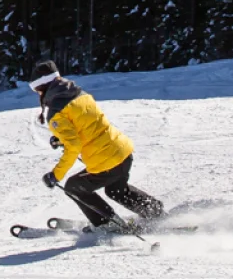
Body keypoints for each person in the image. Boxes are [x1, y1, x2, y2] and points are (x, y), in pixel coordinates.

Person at [30, 60, 165, 231]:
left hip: (107, 162)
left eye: (36, 90)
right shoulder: (79, 93)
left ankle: (108, 224)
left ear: (42, 87)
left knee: (73, 187)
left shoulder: (56, 112)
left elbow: (74, 147)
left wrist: (55, 175)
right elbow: (85, 125)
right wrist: (60, 139)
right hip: (122, 151)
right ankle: (154, 211)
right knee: (116, 190)